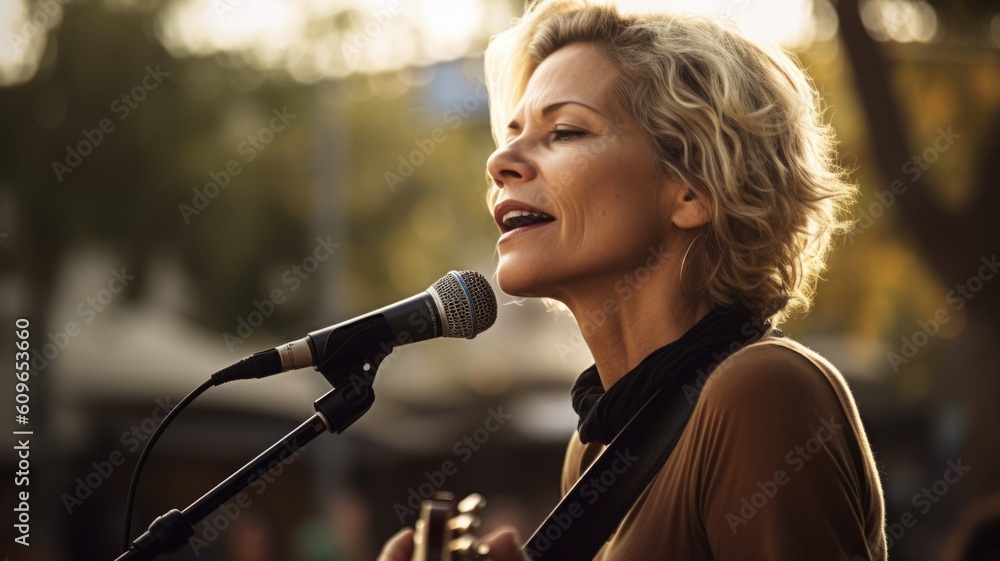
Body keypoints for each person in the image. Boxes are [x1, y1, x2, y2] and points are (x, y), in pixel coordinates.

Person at [380, 0, 887, 559]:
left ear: (693, 188)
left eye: (565, 131)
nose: (501, 160)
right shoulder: (593, 447)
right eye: (512, 132)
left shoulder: (761, 391)